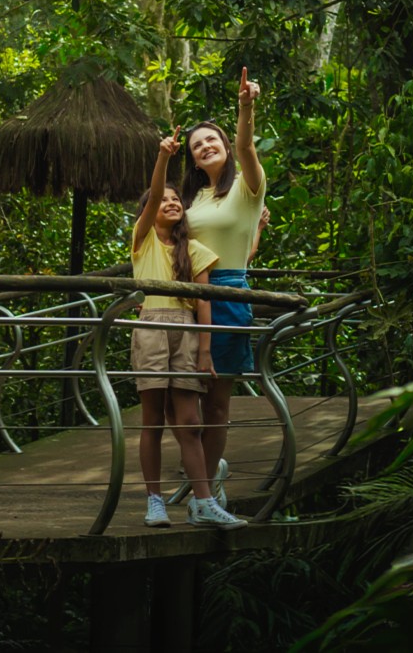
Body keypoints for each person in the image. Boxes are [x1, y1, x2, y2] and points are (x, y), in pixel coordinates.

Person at [130, 124, 248, 530]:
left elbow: (203, 301)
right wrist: (164, 156)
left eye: (176, 199)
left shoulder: (194, 249)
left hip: (186, 330)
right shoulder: (143, 240)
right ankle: (154, 500)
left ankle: (203, 501)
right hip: (152, 328)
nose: (170, 202)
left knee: (190, 421)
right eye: (161, 199)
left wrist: (203, 351)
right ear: (148, 210)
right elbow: (154, 194)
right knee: (152, 421)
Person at [180, 67, 265, 509]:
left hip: (228, 297)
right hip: (185, 296)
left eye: (211, 139)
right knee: (184, 400)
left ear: (226, 145)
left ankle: (208, 488)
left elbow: (249, 144)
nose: (205, 146)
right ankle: (202, 474)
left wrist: (245, 106)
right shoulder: (193, 199)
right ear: (192, 159)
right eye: (197, 145)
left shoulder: (246, 189)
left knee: (215, 400)